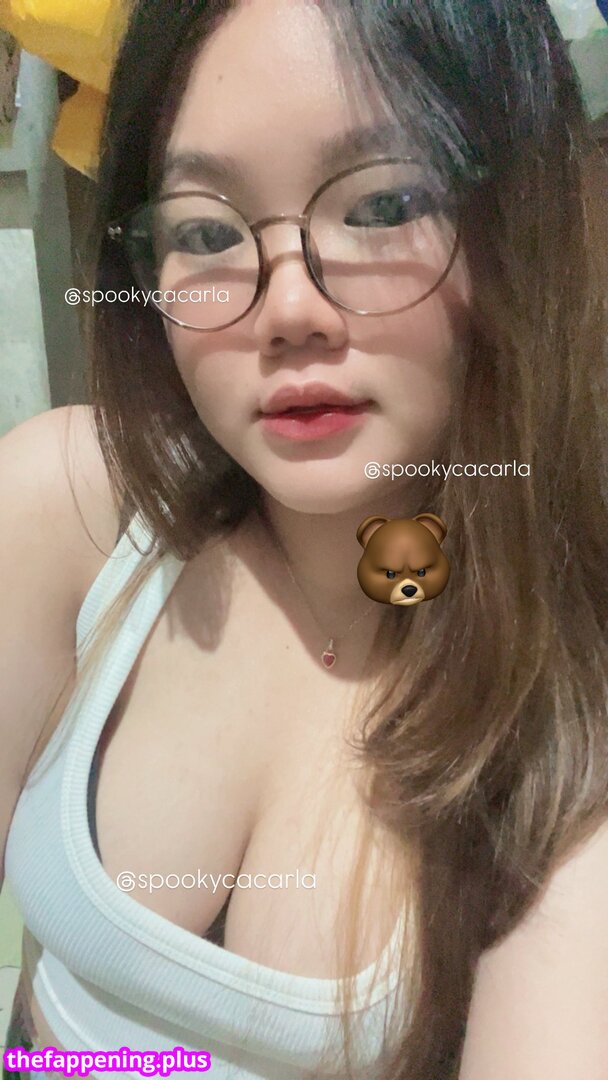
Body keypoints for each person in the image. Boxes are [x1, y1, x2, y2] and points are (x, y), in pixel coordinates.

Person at [1, 1, 607, 1077]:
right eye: (205, 231)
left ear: (518, 224)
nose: (288, 308)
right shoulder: (69, 513)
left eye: (380, 206)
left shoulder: (564, 705)